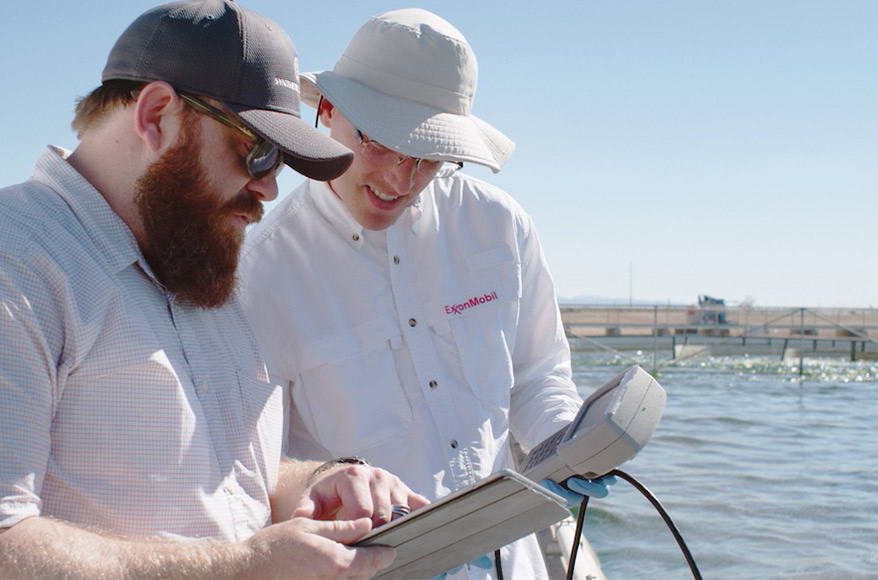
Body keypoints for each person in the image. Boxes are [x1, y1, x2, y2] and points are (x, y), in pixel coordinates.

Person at [0, 2, 428, 578]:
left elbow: (223, 481)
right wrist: (245, 569)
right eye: (258, 151)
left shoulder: (200, 277)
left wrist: (318, 480)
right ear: (155, 115)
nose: (269, 188)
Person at [239, 9, 613, 579]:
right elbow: (257, 472)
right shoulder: (261, 275)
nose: (400, 179)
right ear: (327, 112)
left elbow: (538, 376)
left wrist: (564, 442)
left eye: (428, 155)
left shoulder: (501, 226)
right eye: (380, 143)